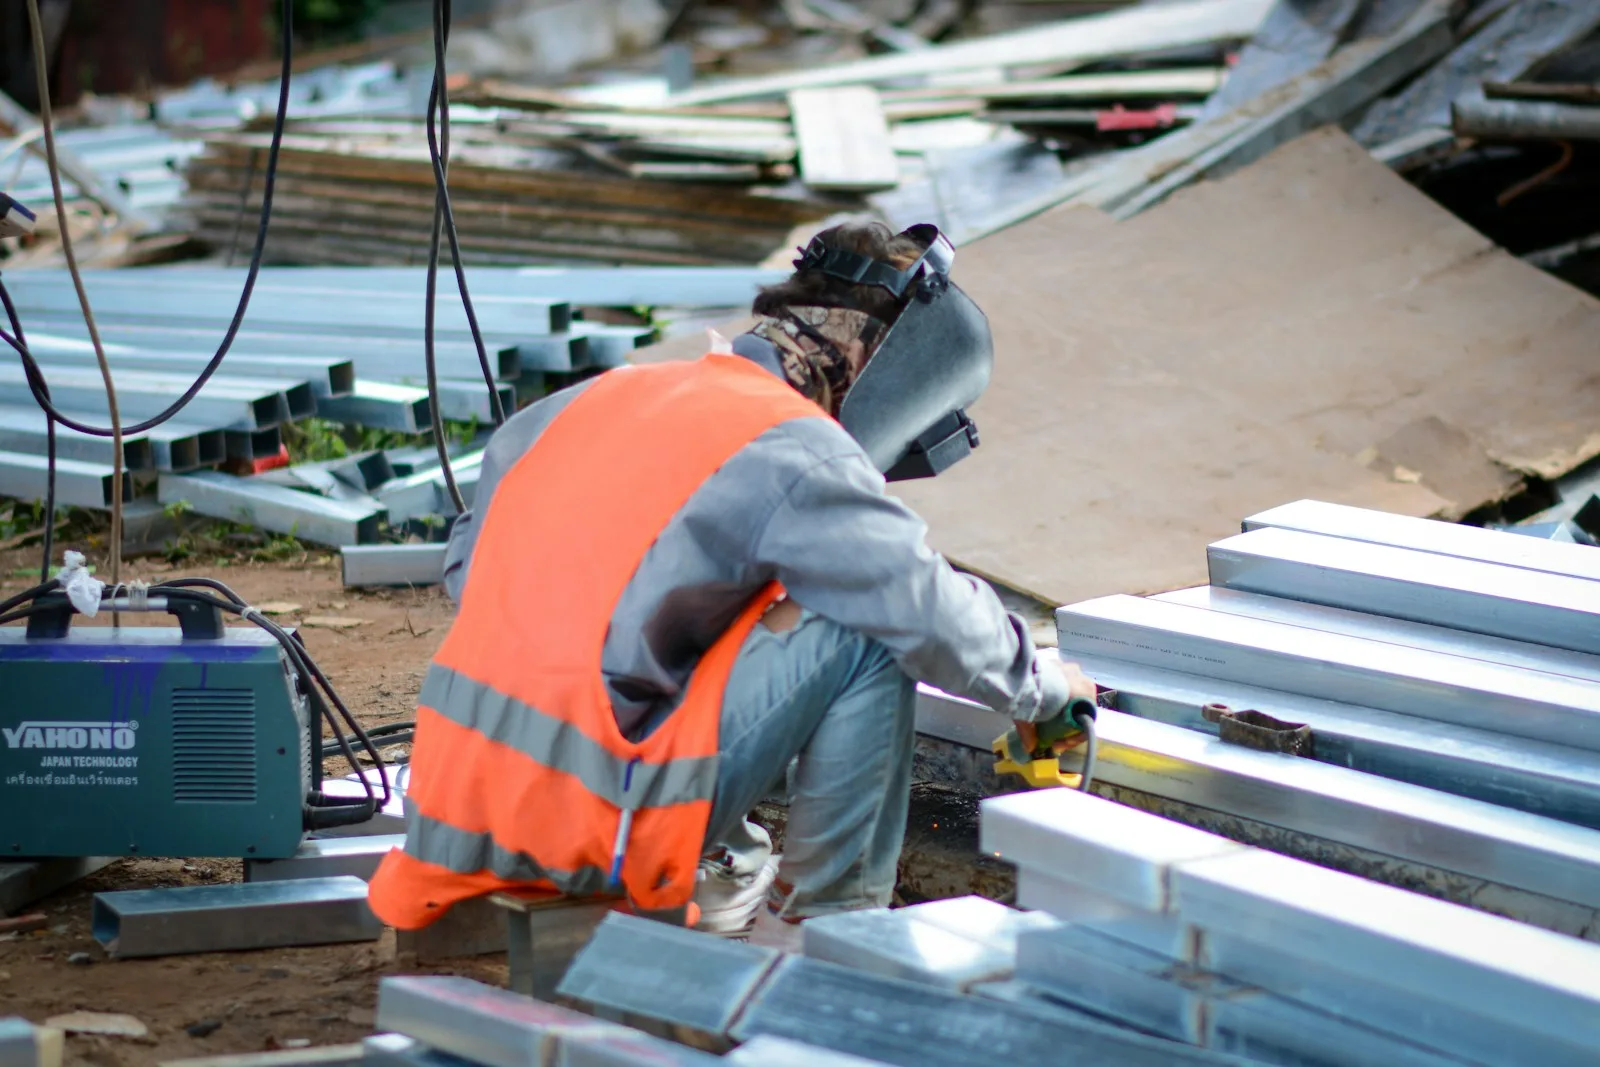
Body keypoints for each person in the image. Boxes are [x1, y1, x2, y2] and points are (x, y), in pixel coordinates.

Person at [366, 220, 1098, 950]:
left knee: (719, 617)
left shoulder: (584, 404)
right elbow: (926, 610)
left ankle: (717, 855)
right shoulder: (789, 445)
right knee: (865, 628)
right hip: (588, 820)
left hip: (451, 805)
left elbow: (469, 570)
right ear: (894, 368)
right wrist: (1044, 687)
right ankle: (834, 932)